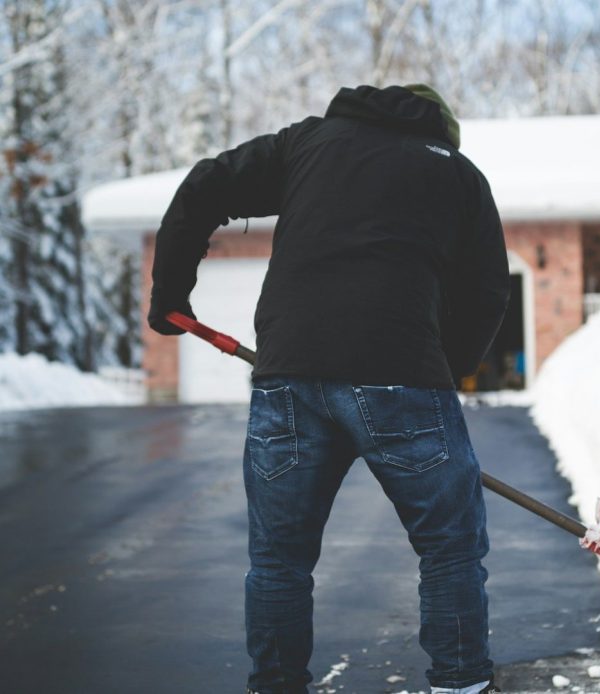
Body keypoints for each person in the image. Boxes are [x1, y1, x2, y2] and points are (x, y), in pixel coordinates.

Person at [148, 83, 510, 694]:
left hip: (289, 372)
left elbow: (206, 183)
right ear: (442, 132)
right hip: (400, 371)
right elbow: (487, 292)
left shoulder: (308, 144)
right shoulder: (457, 173)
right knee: (450, 547)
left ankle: (276, 684)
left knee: (278, 559)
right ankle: (460, 684)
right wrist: (441, 373)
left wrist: (169, 291)